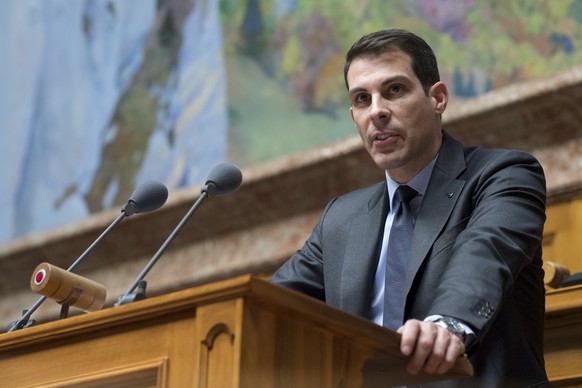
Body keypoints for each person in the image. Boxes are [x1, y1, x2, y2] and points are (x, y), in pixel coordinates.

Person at [270, 29, 549, 387]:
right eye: (361, 99)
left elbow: (486, 255)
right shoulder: (341, 218)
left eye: (394, 90)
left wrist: (447, 324)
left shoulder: (502, 176)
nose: (377, 112)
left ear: (438, 98)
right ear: (353, 116)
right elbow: (271, 304)